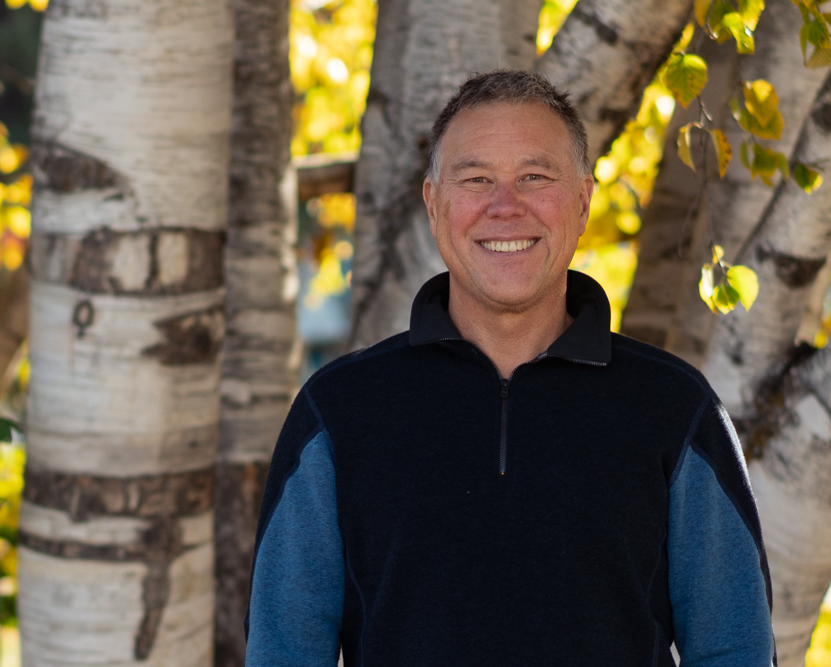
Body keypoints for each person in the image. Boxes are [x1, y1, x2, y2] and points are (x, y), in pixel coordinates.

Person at [244, 70, 776, 666]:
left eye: (534, 177)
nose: (505, 207)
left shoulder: (674, 408)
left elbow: (735, 650)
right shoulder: (340, 411)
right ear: (434, 204)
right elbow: (284, 652)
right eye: (476, 179)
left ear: (582, 201)